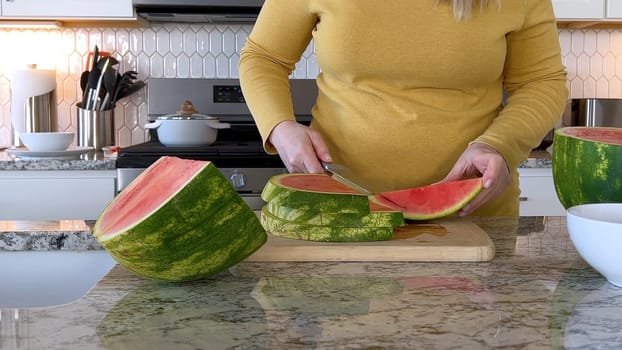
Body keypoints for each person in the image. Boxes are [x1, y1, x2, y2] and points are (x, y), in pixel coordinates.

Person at [239, 0, 568, 216]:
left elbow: (542, 82)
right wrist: (279, 127)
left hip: (471, 214)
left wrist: (496, 145)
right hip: (338, 209)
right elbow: (263, 57)